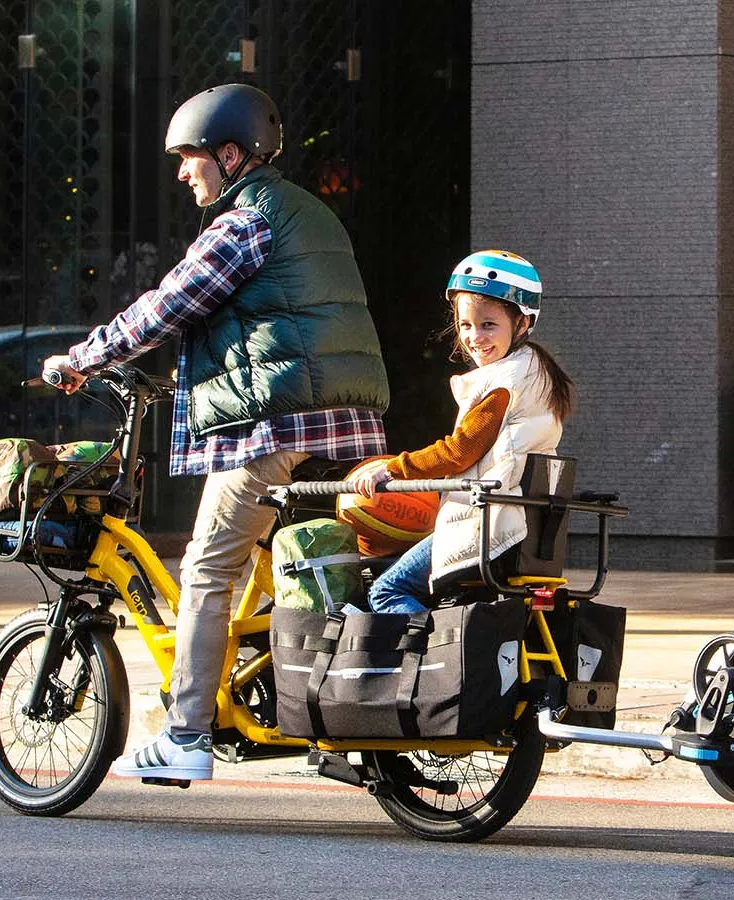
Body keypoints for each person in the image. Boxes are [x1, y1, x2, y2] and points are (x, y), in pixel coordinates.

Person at [43, 83, 389, 782]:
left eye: (190, 156)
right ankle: (295, 706)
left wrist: (87, 356)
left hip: (276, 428)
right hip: (346, 428)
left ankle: (187, 734)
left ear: (230, 155)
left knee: (206, 569)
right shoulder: (311, 214)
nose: (182, 172)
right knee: (290, 567)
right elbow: (279, 322)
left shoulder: (245, 221)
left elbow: (169, 304)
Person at [349, 250, 573, 613]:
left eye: (488, 325)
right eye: (465, 325)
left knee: (387, 589)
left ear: (522, 323)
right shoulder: (535, 370)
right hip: (521, 526)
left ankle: (434, 661)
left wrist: (391, 469)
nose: (474, 337)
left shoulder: (503, 382)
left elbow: (458, 452)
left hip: (490, 526)